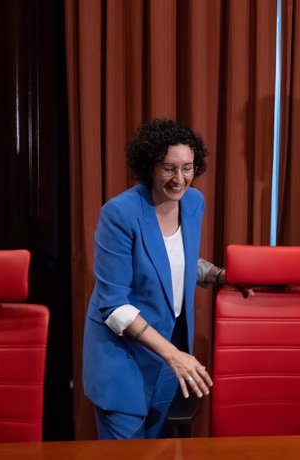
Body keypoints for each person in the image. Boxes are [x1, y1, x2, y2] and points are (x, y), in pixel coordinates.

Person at [83, 119, 226, 439]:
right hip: (122, 362)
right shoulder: (119, 214)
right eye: (169, 169)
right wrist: (173, 354)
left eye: (187, 168)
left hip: (166, 362)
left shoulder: (193, 202)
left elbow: (174, 261)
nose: (180, 179)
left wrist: (220, 276)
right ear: (149, 167)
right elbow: (114, 306)